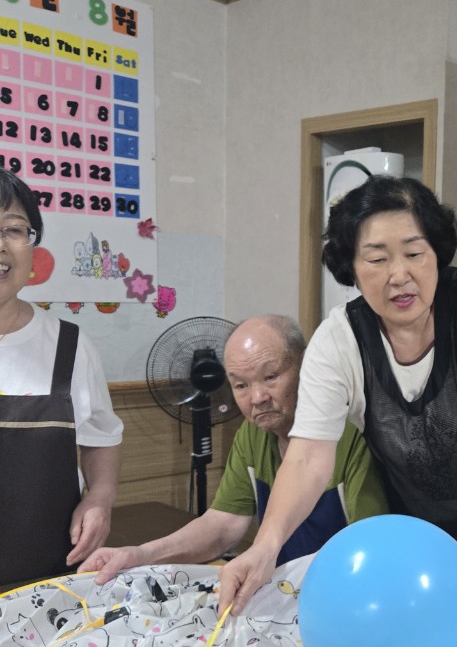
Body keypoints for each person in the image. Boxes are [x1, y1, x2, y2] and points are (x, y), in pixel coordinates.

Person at [218, 177, 457, 615]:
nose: (400, 275)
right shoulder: (338, 339)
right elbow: (307, 457)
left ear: (437, 253)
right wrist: (265, 547)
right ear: (351, 269)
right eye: (377, 259)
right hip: (424, 525)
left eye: (414, 253)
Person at [83, 314, 387, 580]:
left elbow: (370, 548)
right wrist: (140, 555)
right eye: (241, 385)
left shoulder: (352, 434)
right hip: (281, 592)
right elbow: (223, 523)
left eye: (270, 377)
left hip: (343, 591)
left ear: (308, 365)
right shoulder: (252, 434)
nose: (257, 397)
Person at [0, 167, 122, 587]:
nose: (1, 245)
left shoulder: (70, 346)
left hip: (50, 581)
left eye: (13, 229)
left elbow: (102, 436)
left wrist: (100, 498)